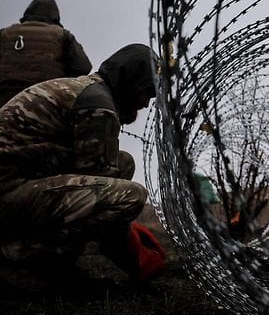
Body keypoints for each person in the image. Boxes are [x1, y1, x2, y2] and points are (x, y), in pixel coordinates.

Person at [0, 44, 164, 289]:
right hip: (8, 194)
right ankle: (19, 260)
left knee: (123, 163)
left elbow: (95, 176)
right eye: (146, 93)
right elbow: (100, 192)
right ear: (130, 83)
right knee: (131, 195)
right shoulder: (97, 105)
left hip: (18, 183)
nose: (145, 104)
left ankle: (54, 262)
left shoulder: (87, 90)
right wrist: (135, 254)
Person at [0, 0, 92, 107]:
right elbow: (83, 67)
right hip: (45, 101)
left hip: (4, 102)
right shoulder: (62, 35)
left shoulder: (4, 34)